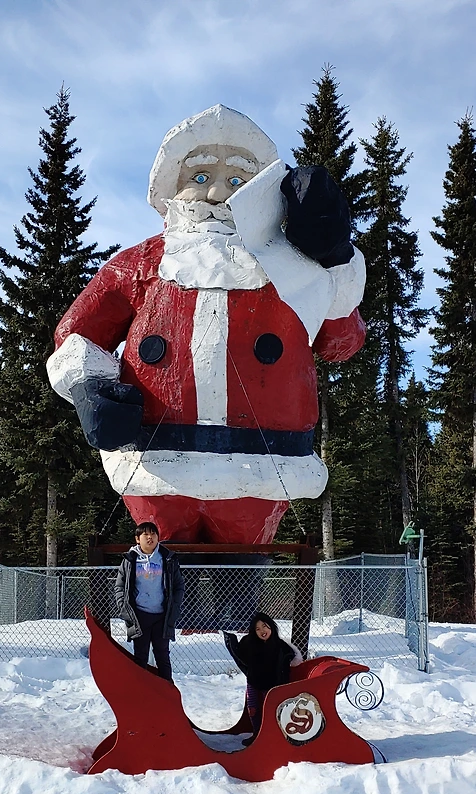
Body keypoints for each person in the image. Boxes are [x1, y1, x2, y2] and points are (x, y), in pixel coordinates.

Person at [46, 104, 366, 546]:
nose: (216, 192)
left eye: (236, 180)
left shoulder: (292, 270)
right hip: (157, 464)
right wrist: (90, 387)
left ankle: (237, 594)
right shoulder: (141, 265)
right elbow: (79, 333)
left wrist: (334, 260)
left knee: (241, 569)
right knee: (159, 566)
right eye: (200, 176)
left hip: (261, 467)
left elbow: (340, 341)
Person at [114, 521, 184, 681]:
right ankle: (140, 691)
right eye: (145, 534)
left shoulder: (168, 558)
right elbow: (120, 585)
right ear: (137, 539)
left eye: (153, 534)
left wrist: (174, 606)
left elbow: (179, 585)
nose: (150, 537)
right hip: (139, 616)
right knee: (140, 656)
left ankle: (167, 692)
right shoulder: (129, 560)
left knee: (162, 656)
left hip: (162, 616)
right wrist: (124, 607)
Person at [223, 612, 303, 743]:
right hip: (254, 682)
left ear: (271, 626)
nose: (262, 631)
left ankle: (270, 736)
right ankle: (257, 734)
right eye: (258, 629)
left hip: (273, 685)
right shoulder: (250, 643)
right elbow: (241, 657)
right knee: (253, 708)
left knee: (270, 709)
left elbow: (294, 659)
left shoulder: (280, 645)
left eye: (264, 626)